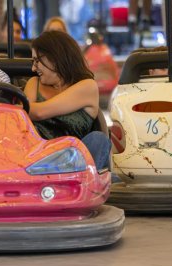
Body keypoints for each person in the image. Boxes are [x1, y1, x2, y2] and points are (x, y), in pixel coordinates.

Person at [24, 31, 110, 170]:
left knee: (98, 139)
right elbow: (22, 117)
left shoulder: (87, 86)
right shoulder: (34, 83)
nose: (33, 68)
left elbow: (38, 112)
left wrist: (26, 107)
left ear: (55, 57)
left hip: (76, 164)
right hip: (37, 159)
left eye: (37, 61)